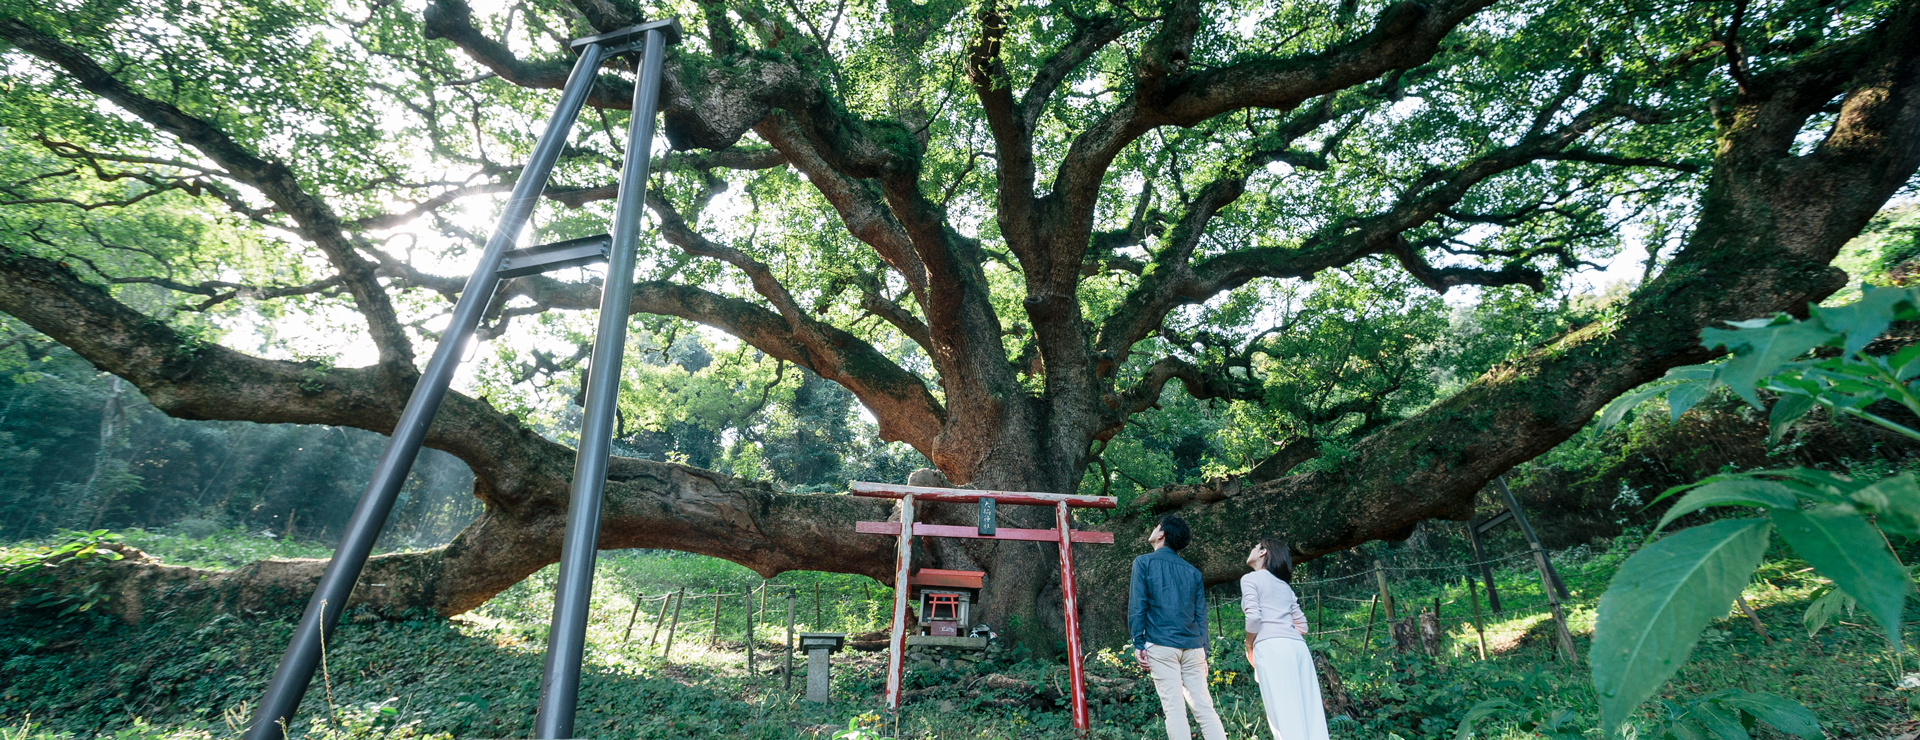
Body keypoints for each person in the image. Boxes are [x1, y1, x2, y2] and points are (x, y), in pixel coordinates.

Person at [1129, 515, 1226, 740]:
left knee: (1174, 710)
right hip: (1194, 647)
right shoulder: (1193, 572)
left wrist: (1138, 642)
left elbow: (1137, 606)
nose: (1152, 530)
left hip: (1161, 645)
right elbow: (1201, 616)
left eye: (1156, 527)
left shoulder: (1143, 562)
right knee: (1204, 709)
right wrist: (1205, 653)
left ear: (1161, 534)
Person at [1240, 538, 1330, 740]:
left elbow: (1253, 616)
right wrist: (1284, 635)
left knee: (1283, 712)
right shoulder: (1285, 587)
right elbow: (1302, 626)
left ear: (1263, 553)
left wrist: (1249, 645)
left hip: (1271, 648)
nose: (1252, 550)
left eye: (1255, 547)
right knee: (1310, 711)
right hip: (1298, 648)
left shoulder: (1250, 579)